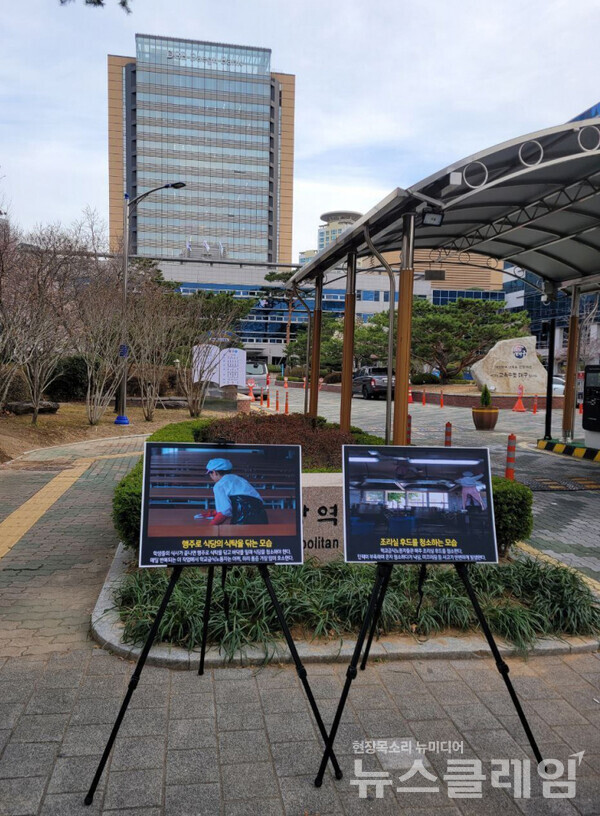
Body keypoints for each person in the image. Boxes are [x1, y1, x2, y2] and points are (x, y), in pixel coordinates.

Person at [194, 458, 268, 525]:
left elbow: (225, 511)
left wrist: (210, 527)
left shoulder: (219, 485)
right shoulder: (239, 479)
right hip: (262, 518)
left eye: (210, 474)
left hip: (243, 520)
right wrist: (215, 513)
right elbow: (243, 501)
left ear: (214, 472)